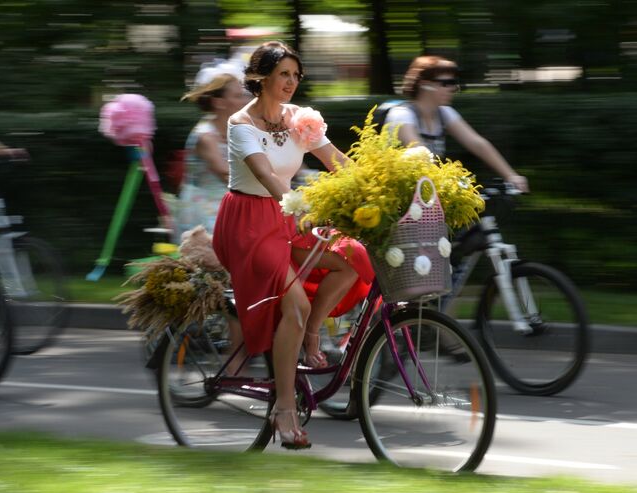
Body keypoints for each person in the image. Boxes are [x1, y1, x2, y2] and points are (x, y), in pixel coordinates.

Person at [212, 41, 374, 449]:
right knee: (295, 303)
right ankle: (284, 407)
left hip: (289, 216)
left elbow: (336, 159)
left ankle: (312, 334)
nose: (291, 82)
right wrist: (302, 207)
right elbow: (266, 176)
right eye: (283, 74)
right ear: (262, 77)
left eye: (296, 75)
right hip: (250, 222)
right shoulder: (241, 124)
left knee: (352, 256)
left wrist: (380, 189)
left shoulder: (301, 119)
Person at [384, 55, 529, 192]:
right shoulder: (402, 115)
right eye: (446, 83)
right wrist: (449, 184)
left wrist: (511, 176)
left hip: (426, 195)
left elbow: (477, 143)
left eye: (454, 83)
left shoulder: (444, 113)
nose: (453, 88)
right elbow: (420, 153)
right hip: (396, 199)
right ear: (424, 84)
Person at [174, 64, 249, 243]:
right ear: (219, 102)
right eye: (238, 96)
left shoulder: (239, 129)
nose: (245, 101)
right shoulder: (205, 136)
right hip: (205, 208)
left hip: (231, 202)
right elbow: (226, 174)